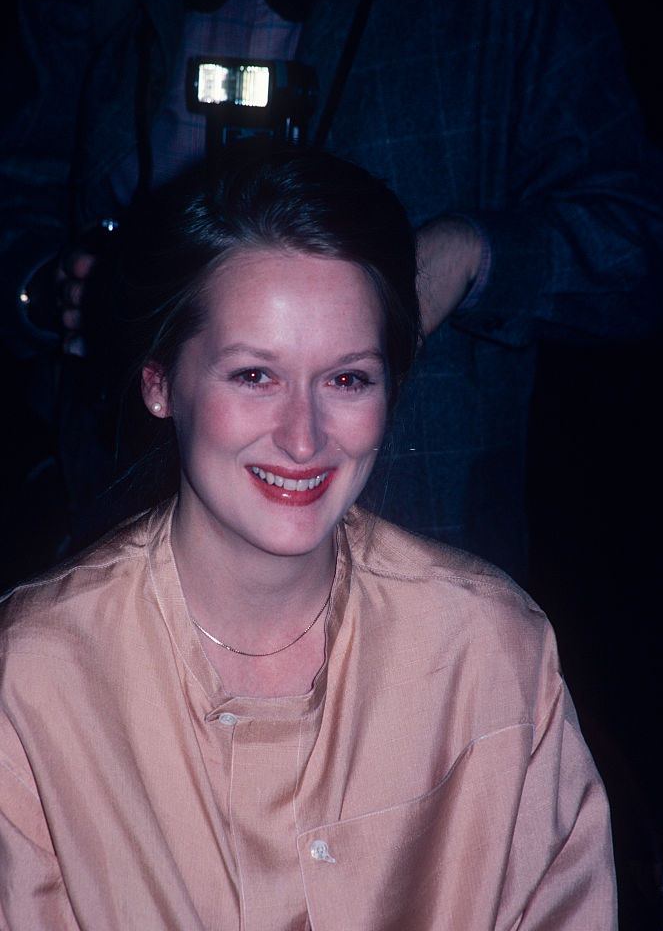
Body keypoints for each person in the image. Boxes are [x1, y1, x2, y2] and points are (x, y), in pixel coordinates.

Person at [0, 149, 616, 929]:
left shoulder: (493, 652)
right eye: (254, 375)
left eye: (347, 379)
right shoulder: (34, 678)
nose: (303, 438)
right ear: (159, 385)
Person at [1, 0, 661, 591]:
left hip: (416, 568)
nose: (298, 436)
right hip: (116, 536)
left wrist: (473, 256)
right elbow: (19, 192)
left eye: (347, 377)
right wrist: (50, 287)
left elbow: (635, 246)